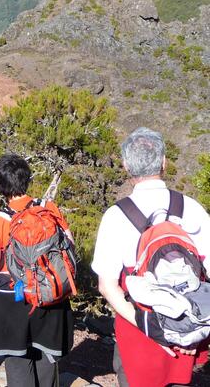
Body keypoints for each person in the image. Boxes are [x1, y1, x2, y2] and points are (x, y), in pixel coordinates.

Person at [92, 127, 210, 387]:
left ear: (125, 166)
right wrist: (197, 333)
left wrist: (149, 327)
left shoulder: (116, 216)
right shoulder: (192, 209)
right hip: (186, 334)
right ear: (164, 162)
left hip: (138, 336)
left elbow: (107, 286)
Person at [0, 154, 74, 387]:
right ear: (27, 179)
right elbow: (69, 247)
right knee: (47, 359)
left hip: (16, 297)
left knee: (18, 361)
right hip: (50, 292)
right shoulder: (48, 208)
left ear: (0, 186)